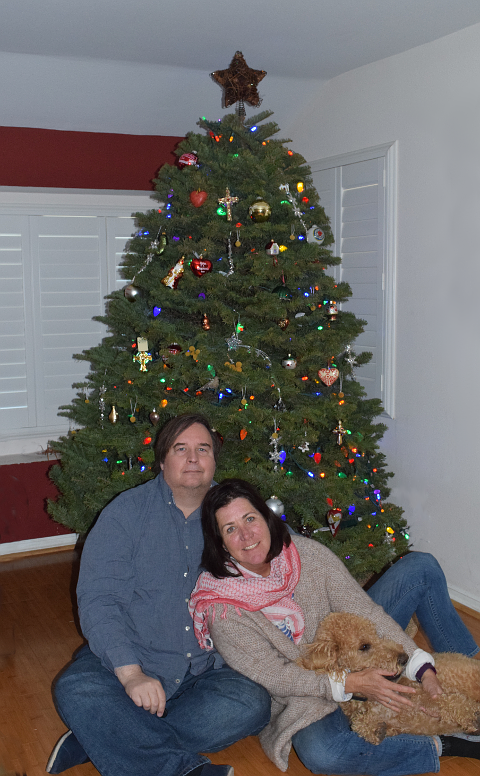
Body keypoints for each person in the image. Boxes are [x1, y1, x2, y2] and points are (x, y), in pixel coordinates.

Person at [189, 477, 480, 776]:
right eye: (230, 529)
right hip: (305, 691)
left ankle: (470, 679)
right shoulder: (222, 609)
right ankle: (446, 744)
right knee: (323, 753)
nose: (246, 534)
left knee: (421, 568)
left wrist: (423, 669)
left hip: (357, 646)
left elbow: (362, 610)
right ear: (220, 543)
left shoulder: (304, 554)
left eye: (250, 518)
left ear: (266, 517)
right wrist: (349, 684)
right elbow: (276, 676)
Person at [46, 415, 271, 776]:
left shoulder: (238, 515)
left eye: (203, 449)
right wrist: (132, 675)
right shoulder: (125, 514)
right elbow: (99, 599)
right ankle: (178, 769)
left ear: (215, 461)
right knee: (76, 687)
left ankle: (103, 737)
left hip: (208, 670)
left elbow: (285, 558)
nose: (193, 459)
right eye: (181, 449)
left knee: (253, 703)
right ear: (162, 460)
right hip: (136, 658)